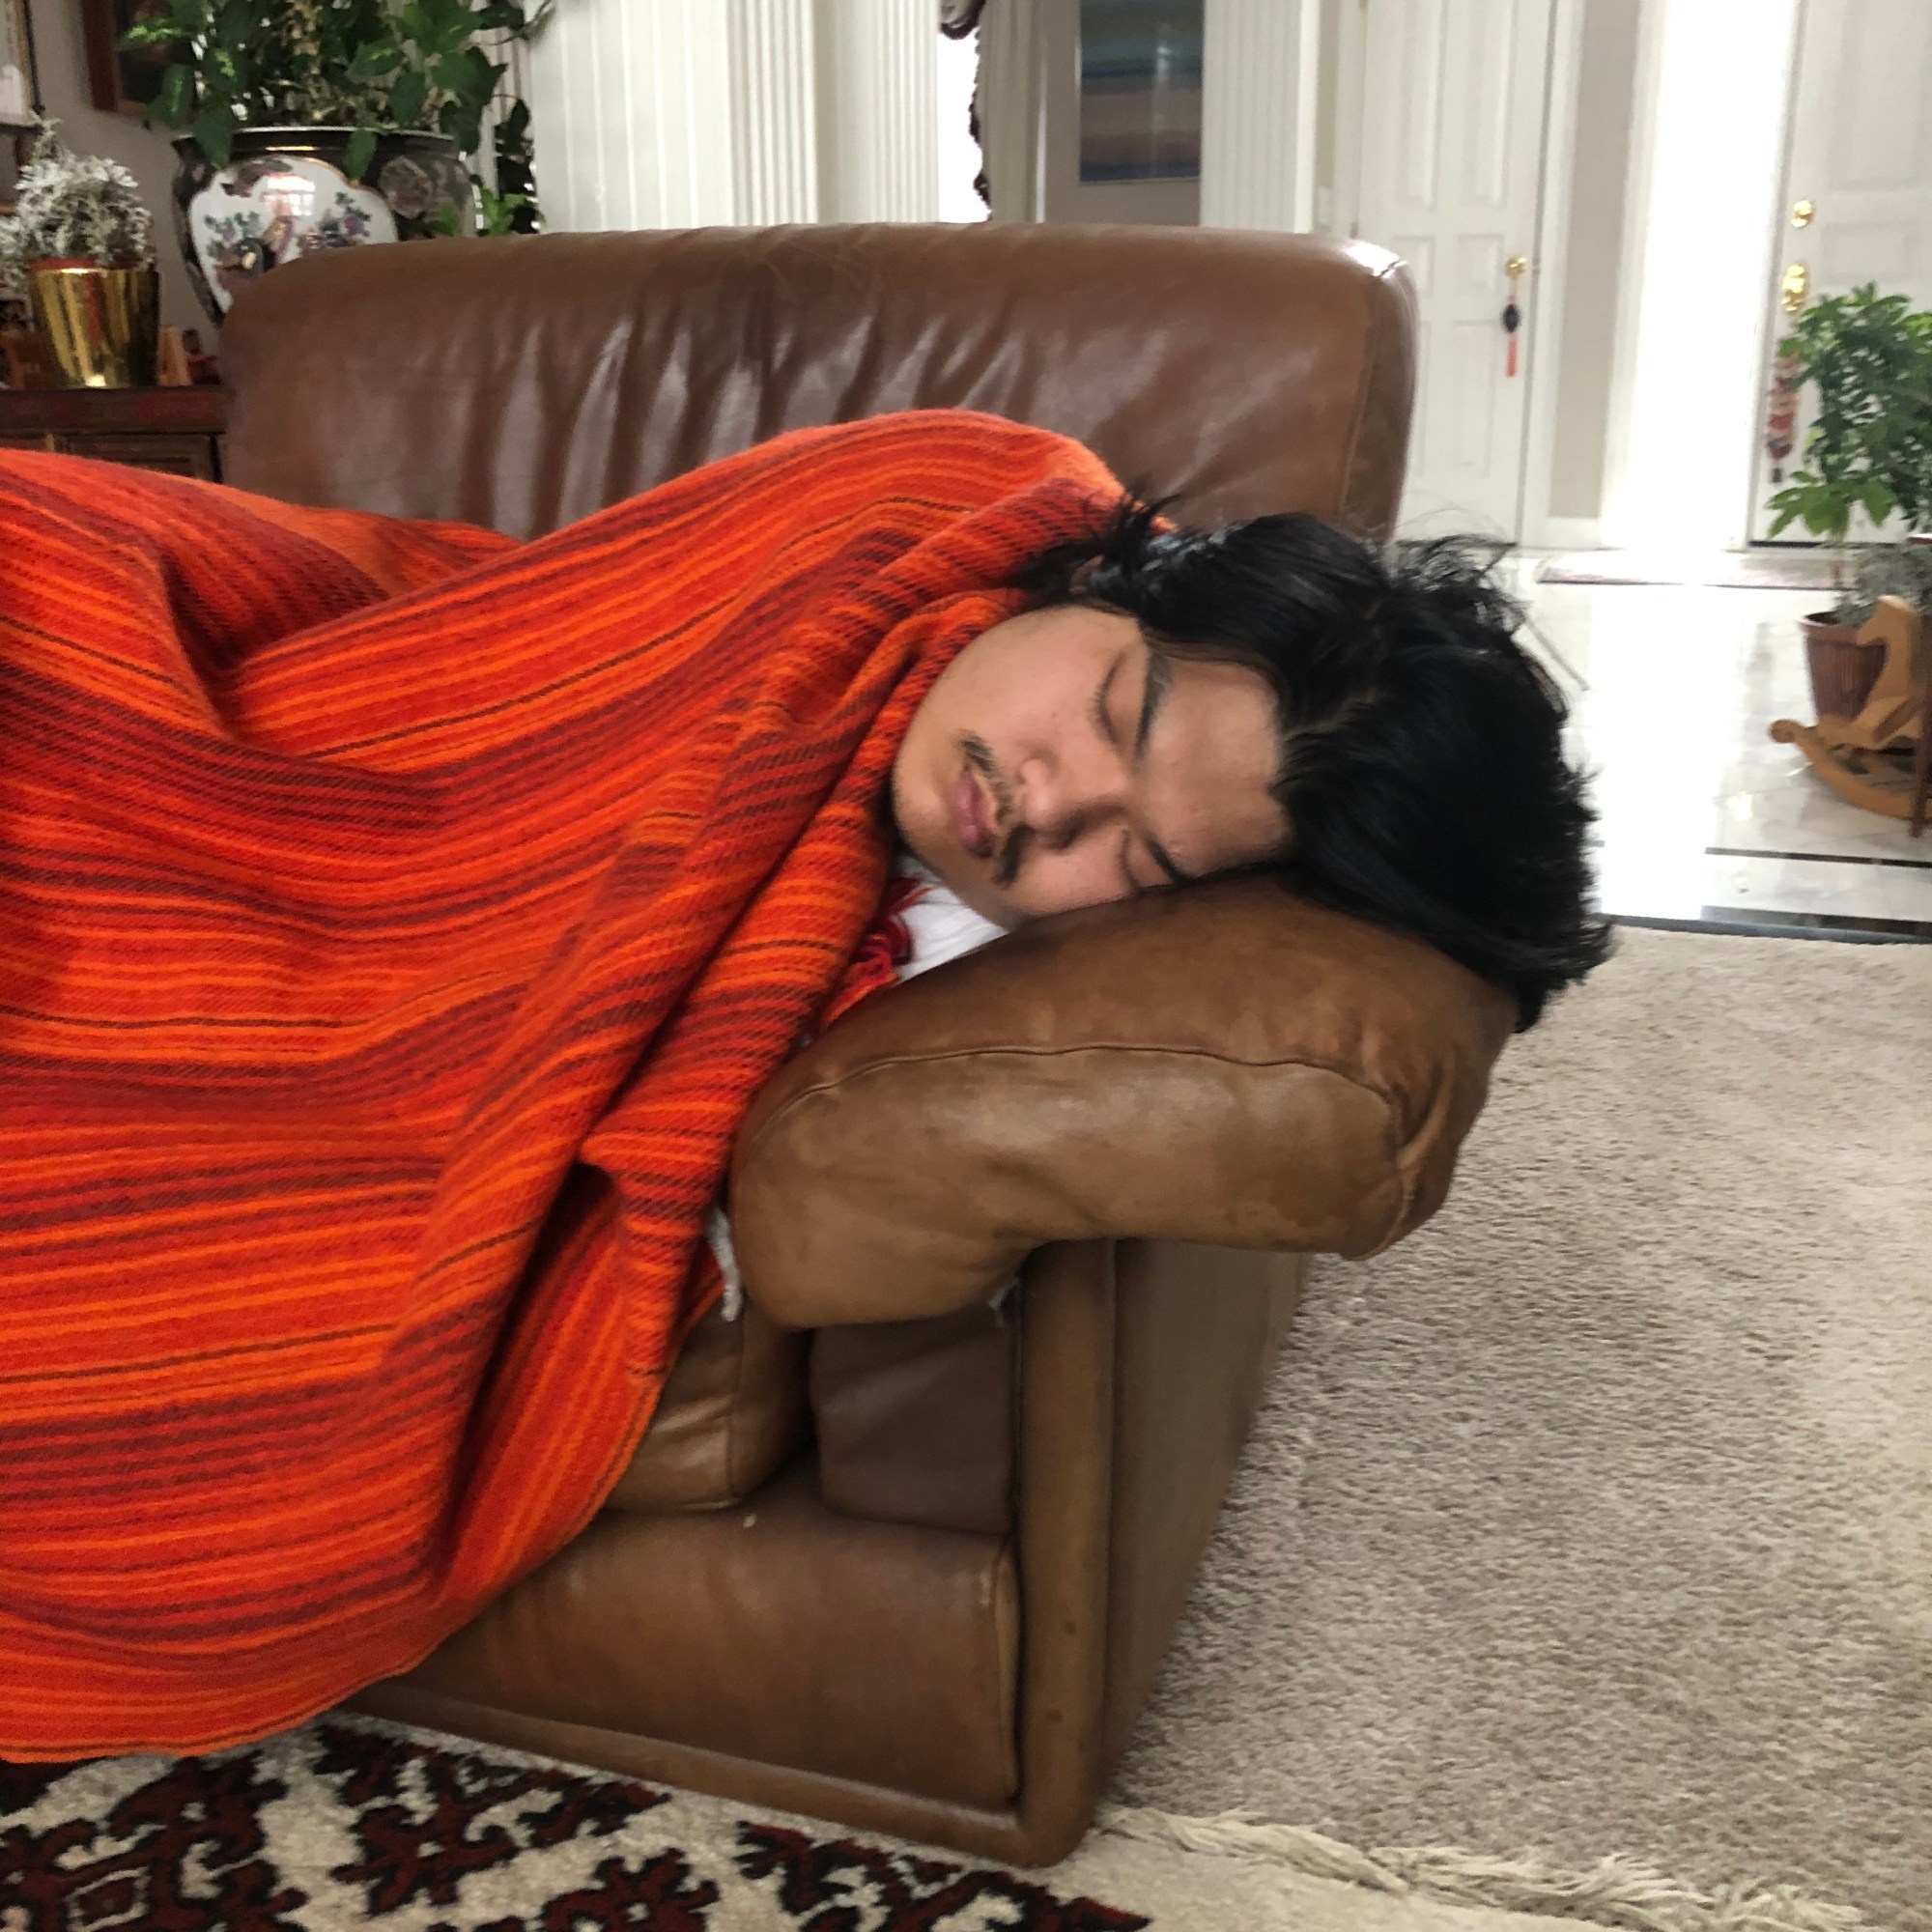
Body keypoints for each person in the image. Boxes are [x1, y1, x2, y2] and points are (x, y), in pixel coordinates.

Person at [891, 499, 1610, 1029]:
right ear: (1100, 580)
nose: (1048, 807)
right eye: (1111, 715)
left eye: (1136, 859)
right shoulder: (930, 492)